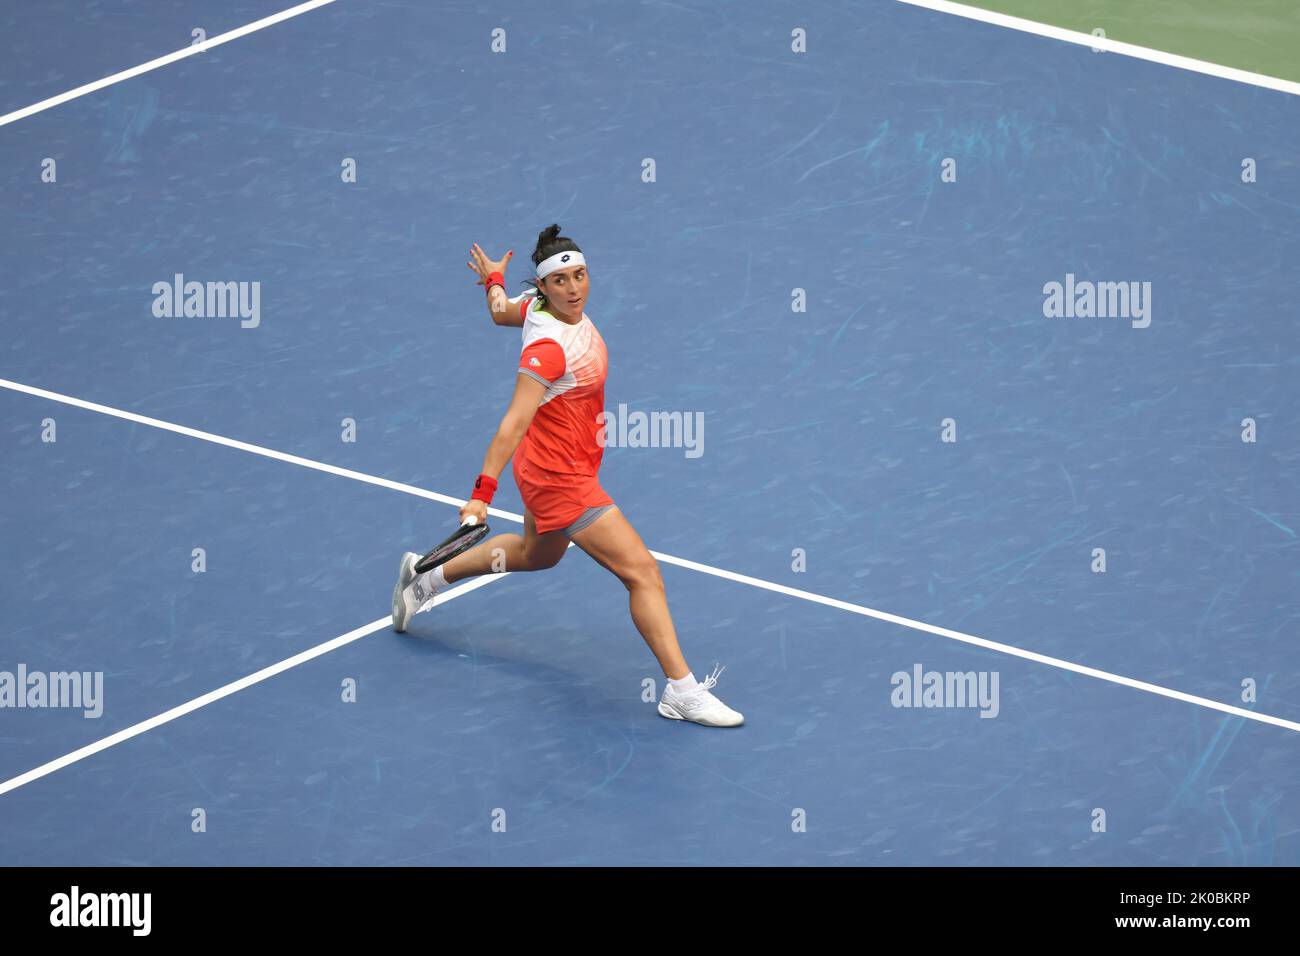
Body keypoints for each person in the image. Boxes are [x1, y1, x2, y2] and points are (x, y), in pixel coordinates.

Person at [391, 224, 742, 727]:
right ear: (544, 287)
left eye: (581, 276)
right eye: (562, 282)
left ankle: (422, 579)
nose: (575, 289)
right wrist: (480, 495)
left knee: (540, 554)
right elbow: (513, 421)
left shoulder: (533, 308)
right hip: (558, 476)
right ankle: (681, 691)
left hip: (557, 461)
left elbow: (498, 313)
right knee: (641, 572)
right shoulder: (550, 349)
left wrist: (493, 281)